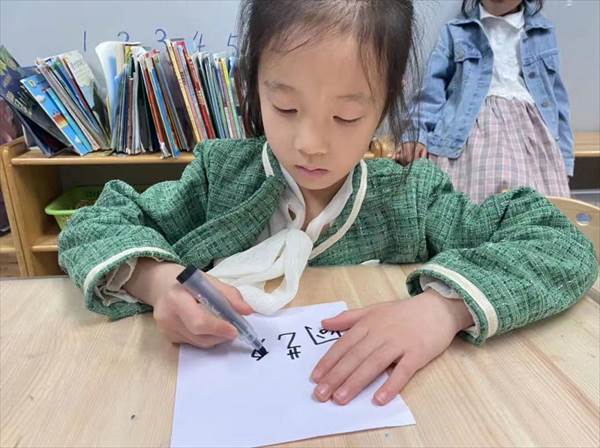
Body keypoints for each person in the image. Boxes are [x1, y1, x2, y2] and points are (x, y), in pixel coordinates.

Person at [58, 0, 596, 407]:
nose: (311, 143)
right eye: (285, 107)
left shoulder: (410, 196)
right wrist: (157, 283)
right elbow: (94, 224)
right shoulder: (220, 177)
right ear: (253, 86)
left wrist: (442, 310)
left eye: (346, 117)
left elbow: (560, 243)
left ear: (385, 105)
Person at [398, 0, 572, 204]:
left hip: (532, 134)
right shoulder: (456, 30)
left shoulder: (544, 32)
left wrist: (565, 159)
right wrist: (416, 133)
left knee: (537, 206)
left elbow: (557, 99)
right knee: (469, 203)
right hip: (467, 131)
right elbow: (432, 89)